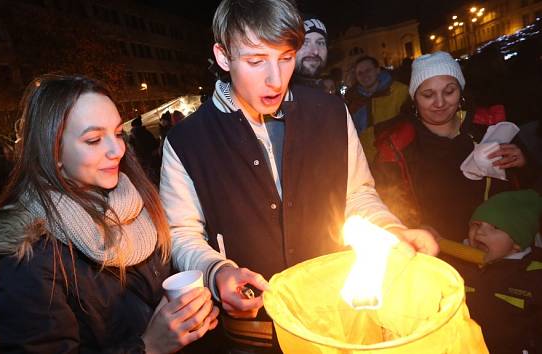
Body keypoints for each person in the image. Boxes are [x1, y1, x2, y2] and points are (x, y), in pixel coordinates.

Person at [159, 1, 438, 352]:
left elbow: (357, 196)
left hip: (336, 320)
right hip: (254, 335)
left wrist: (392, 232)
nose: (275, 80)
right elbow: (182, 232)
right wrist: (216, 272)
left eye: (286, 57)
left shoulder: (331, 113)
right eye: (256, 61)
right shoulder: (186, 141)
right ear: (223, 56)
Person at [0, 74, 218, 353]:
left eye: (117, 133)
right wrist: (148, 347)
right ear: (53, 151)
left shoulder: (140, 203)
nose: (117, 150)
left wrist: (203, 293)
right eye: (93, 139)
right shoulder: (30, 256)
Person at [373, 51, 535, 242]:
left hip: (501, 250)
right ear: (414, 98)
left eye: (449, 91)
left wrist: (523, 162)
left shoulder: (489, 127)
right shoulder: (396, 147)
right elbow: (385, 203)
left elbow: (527, 188)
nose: (440, 103)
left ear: (461, 91)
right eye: (428, 95)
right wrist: (412, 226)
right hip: (442, 253)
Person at [443, 189, 542, 353]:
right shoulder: (456, 263)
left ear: (517, 242)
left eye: (495, 227)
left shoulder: (534, 276)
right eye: (476, 224)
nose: (480, 231)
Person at [344, 55, 410, 162]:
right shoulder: (353, 101)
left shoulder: (399, 91)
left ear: (377, 70)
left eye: (368, 70)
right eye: (360, 73)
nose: (364, 75)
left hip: (396, 159)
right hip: (366, 161)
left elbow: (409, 121)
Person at [292, 14, 330, 90]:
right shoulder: (277, 97)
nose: (315, 51)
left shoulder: (331, 97)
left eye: (320, 43)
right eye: (304, 43)